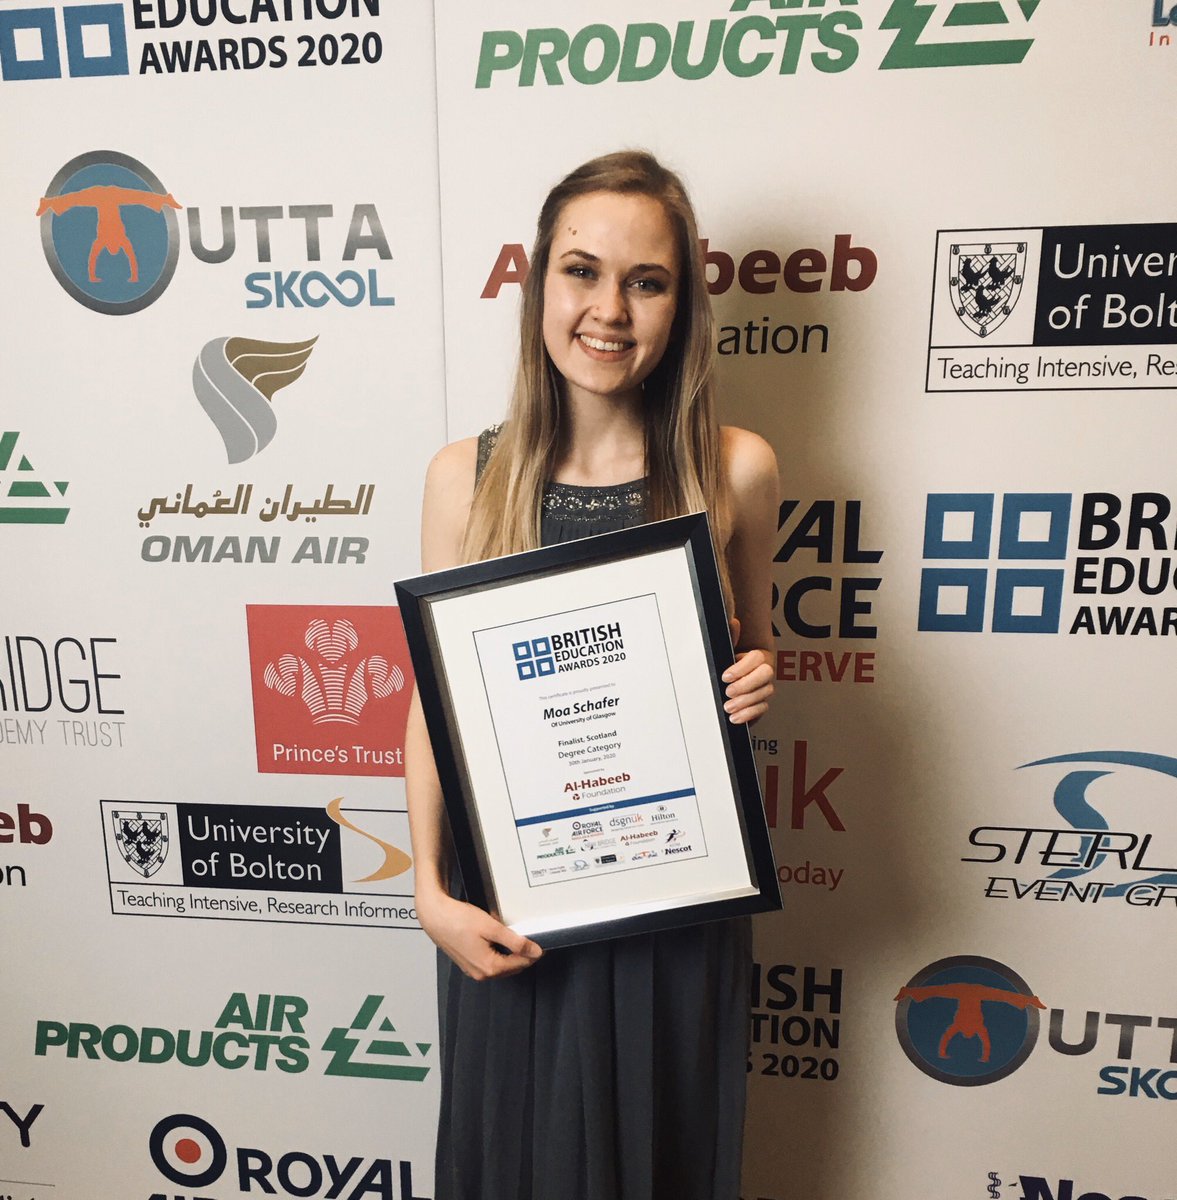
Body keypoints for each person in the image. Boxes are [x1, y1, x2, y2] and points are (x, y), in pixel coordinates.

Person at [405, 150, 779, 1200]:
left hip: (675, 897)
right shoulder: (462, 477)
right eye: (581, 271)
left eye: (645, 281)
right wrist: (428, 890)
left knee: (663, 1159)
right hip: (507, 905)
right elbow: (432, 705)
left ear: (681, 305)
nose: (608, 310)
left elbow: (756, 650)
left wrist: (758, 678)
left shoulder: (736, 466)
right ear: (540, 286)